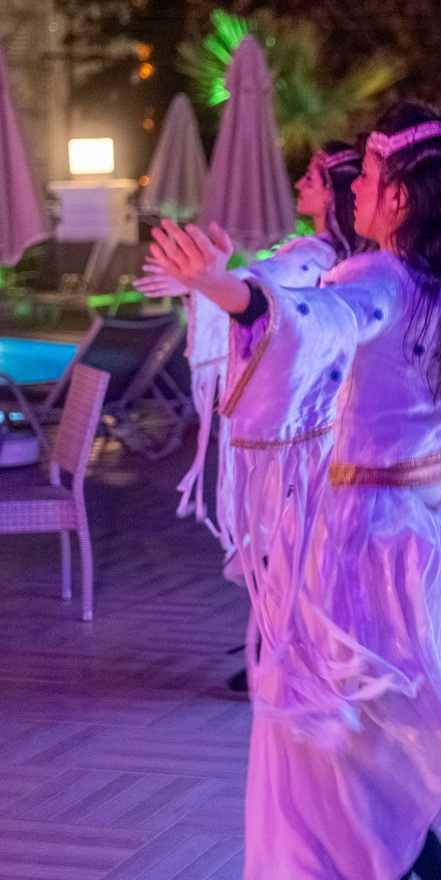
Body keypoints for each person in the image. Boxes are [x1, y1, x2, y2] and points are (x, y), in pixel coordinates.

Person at [146, 100, 441, 880]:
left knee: (337, 754)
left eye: (371, 174)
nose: (355, 185)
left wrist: (229, 291)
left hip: (366, 541)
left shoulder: (380, 277)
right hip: (436, 533)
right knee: (375, 749)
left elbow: (317, 319)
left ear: (402, 197)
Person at [152, 140, 372, 700]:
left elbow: (260, 301)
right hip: (330, 422)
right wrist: (210, 280)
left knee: (289, 541)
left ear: (337, 193)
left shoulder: (314, 259)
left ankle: (283, 660)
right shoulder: (346, 262)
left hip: (299, 430)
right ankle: (285, 656)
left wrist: (210, 282)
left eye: (313, 177)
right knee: (308, 542)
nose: (300, 183)